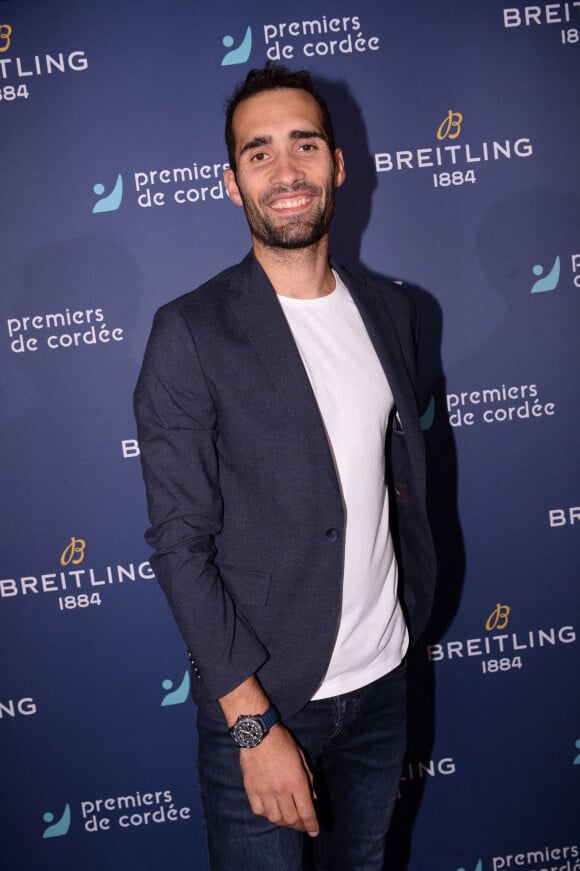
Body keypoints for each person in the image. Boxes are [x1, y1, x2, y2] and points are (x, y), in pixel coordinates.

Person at [134, 64, 436, 871]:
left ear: (338, 164)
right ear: (232, 185)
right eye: (258, 153)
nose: (286, 170)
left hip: (383, 683)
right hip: (266, 699)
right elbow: (179, 544)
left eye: (304, 143)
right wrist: (253, 723)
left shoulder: (397, 311)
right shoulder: (189, 332)